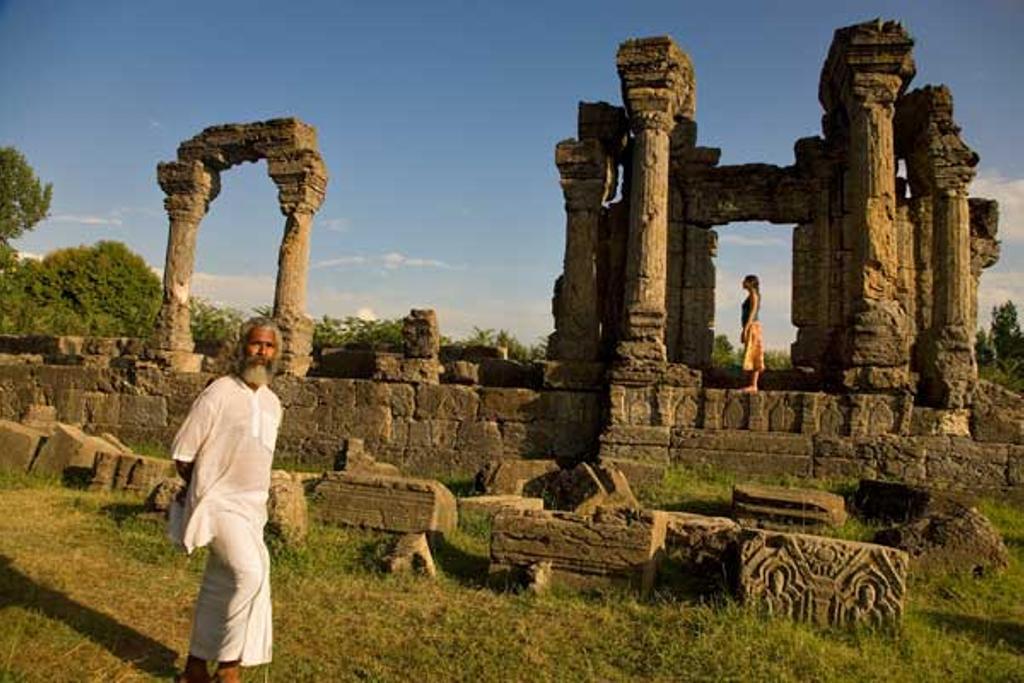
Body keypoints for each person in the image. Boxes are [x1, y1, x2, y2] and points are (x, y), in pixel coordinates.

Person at [170, 317, 283, 683]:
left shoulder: (272, 403)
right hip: (218, 504)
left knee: (221, 584)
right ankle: (229, 666)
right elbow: (183, 454)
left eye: (269, 346)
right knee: (250, 574)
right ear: (242, 348)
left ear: (277, 354)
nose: (261, 352)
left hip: (253, 510)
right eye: (256, 344)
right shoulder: (219, 391)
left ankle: (194, 668)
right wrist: (203, 489)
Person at [740, 274, 765, 392]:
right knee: (750, 353)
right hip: (751, 326)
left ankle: (754, 385)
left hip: (753, 326)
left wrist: (746, 329)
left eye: (745, 280)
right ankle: (751, 384)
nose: (742, 282)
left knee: (755, 354)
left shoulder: (754, 295)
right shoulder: (751, 295)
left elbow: (752, 313)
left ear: (750, 283)